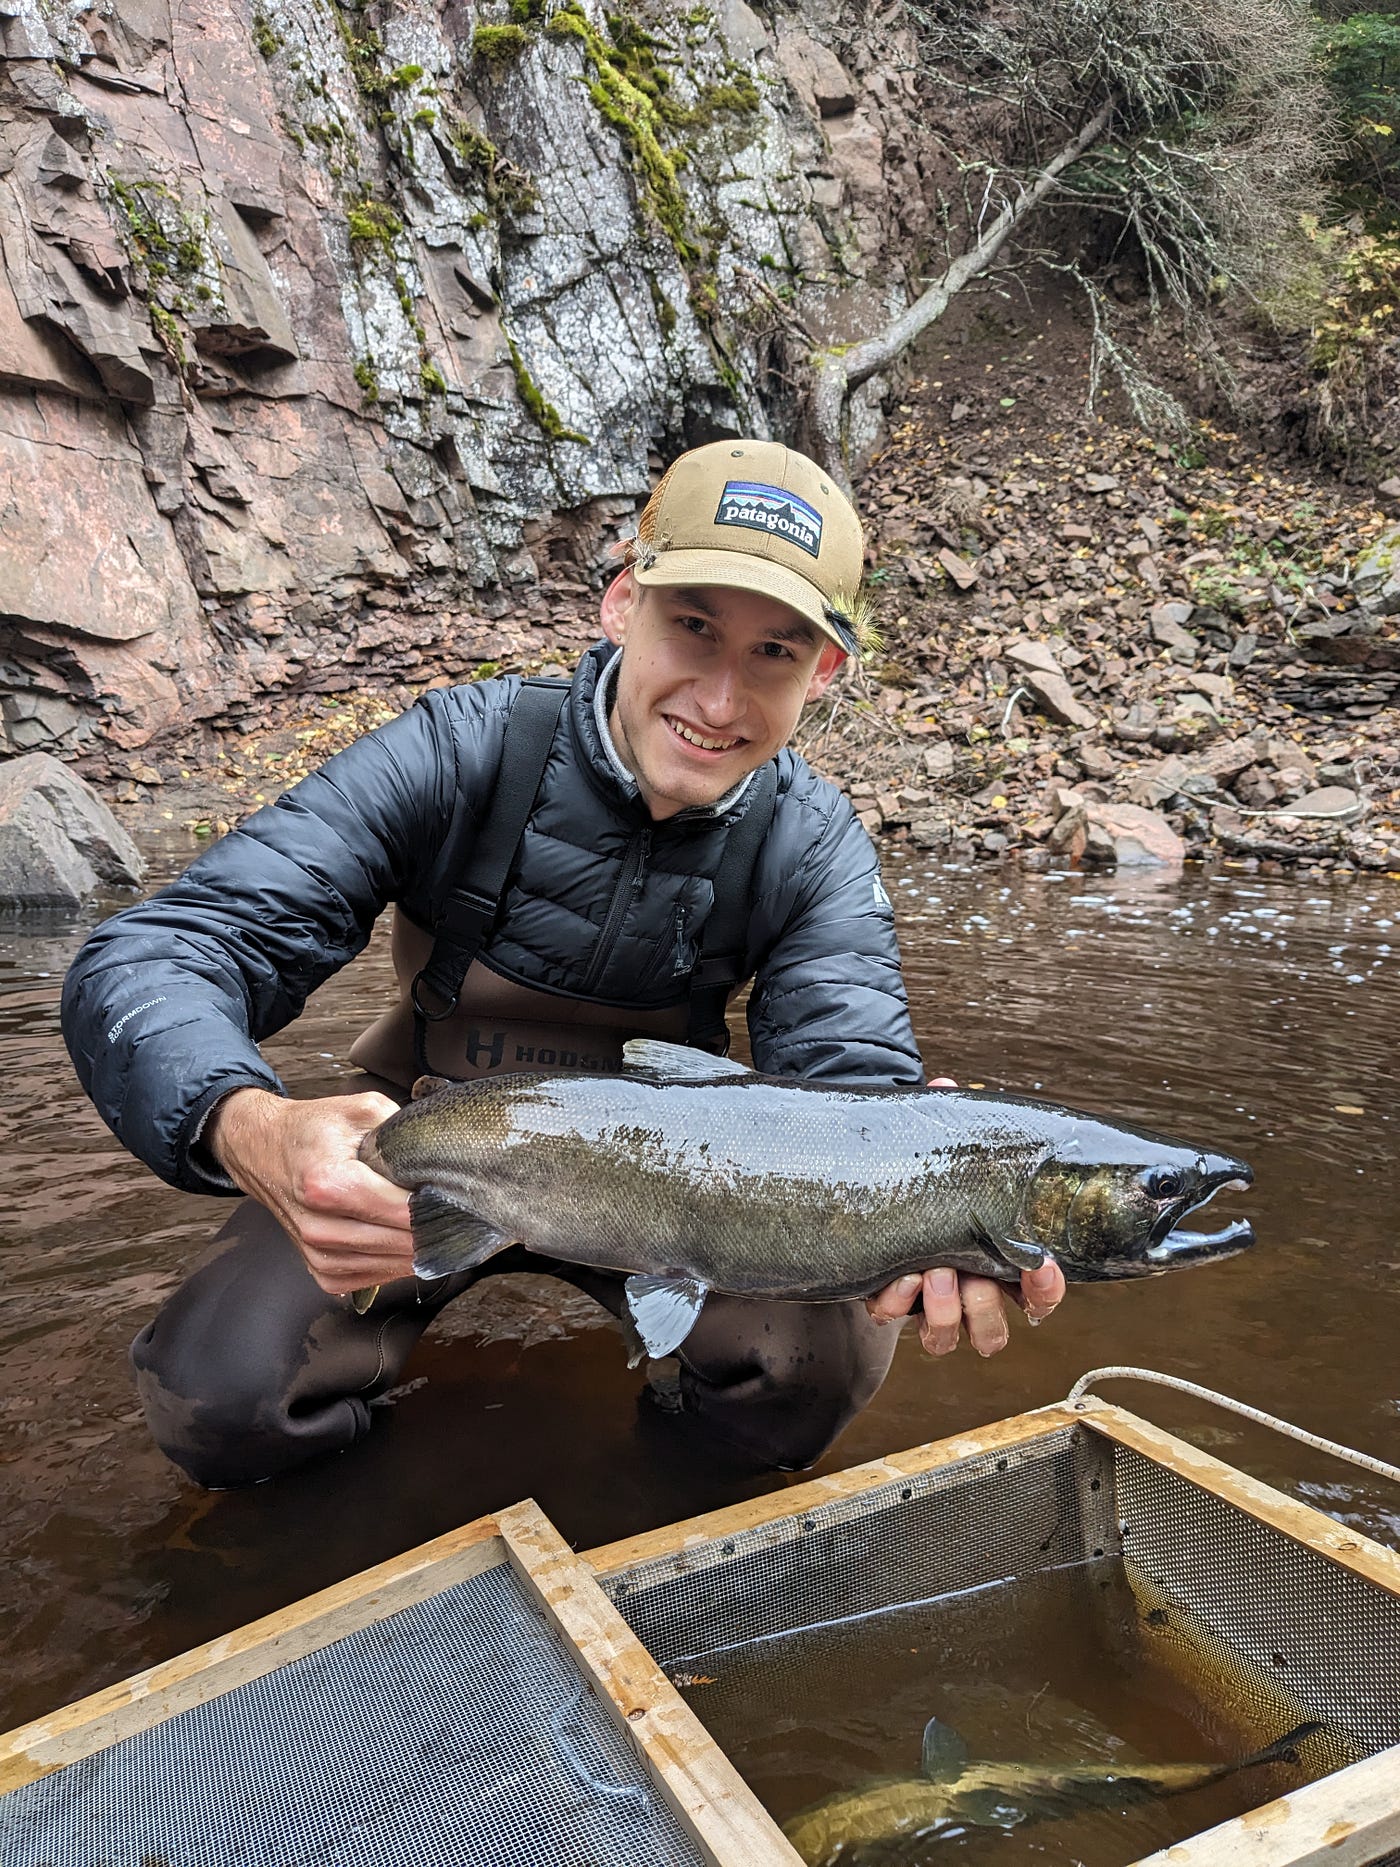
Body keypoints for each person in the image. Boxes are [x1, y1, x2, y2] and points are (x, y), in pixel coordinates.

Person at [62, 439, 1064, 1489]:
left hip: (687, 1181)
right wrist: (247, 1125)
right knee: (221, 1397)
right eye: (691, 626)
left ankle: (655, 1514)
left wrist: (923, 1189)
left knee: (805, 1370)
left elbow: (848, 1079)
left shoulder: (808, 843)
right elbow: (158, 951)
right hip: (432, 1137)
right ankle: (355, 1536)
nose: (719, 700)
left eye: (772, 653)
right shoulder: (460, 747)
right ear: (621, 603)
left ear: (821, 673)